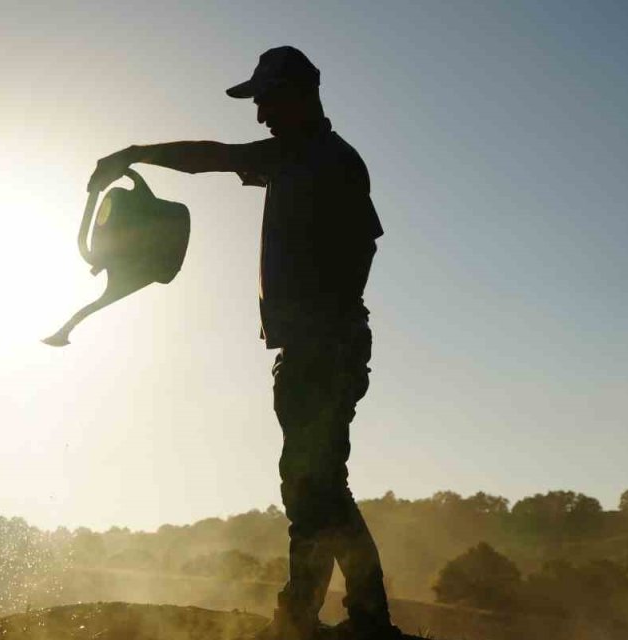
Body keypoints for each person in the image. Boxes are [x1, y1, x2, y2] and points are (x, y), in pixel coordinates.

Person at [86, 47, 401, 640]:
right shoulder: (304, 157)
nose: (259, 115)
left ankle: (334, 621)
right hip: (315, 344)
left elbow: (362, 243)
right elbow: (222, 159)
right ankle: (339, 618)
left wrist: (136, 153)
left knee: (315, 485)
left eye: (264, 100)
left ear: (297, 93)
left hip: (322, 347)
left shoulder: (322, 158)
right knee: (316, 485)